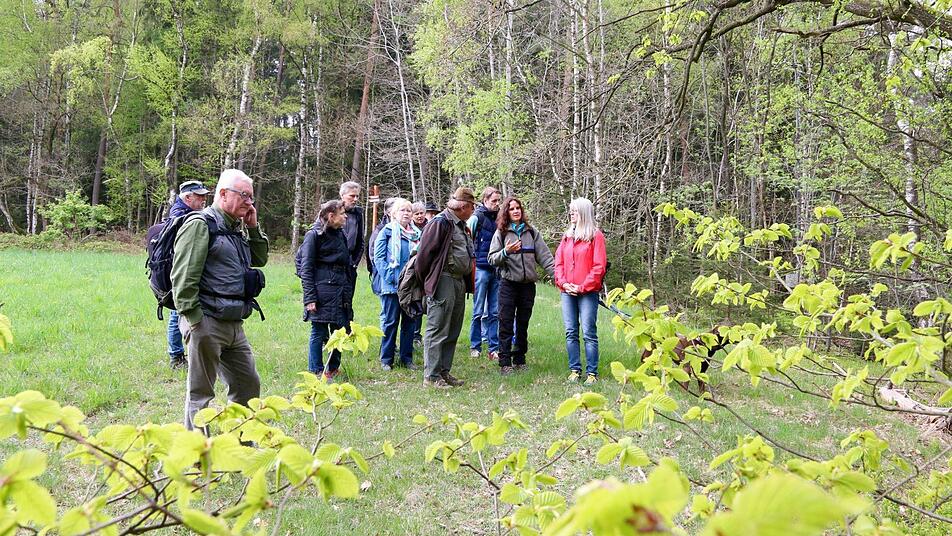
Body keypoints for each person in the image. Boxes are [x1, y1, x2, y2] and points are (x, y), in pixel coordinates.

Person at [171, 169, 269, 431]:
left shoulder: (234, 228)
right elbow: (182, 278)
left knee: (248, 385)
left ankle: (241, 444)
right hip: (206, 322)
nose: (249, 202)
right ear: (223, 194)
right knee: (201, 394)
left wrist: (253, 228)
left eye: (251, 197)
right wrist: (196, 322)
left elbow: (259, 259)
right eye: (244, 195)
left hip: (234, 322)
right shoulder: (200, 224)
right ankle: (197, 452)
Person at [414, 187, 476, 388]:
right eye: (472, 206)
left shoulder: (461, 225)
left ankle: (443, 372)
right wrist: (429, 283)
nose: (473, 210)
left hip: (459, 281)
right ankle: (431, 377)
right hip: (443, 280)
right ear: (463, 207)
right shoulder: (440, 223)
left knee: (452, 329)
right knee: (437, 328)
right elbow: (423, 258)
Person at [146, 180, 210, 369]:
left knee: (177, 312)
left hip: (177, 271)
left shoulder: (183, 213)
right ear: (188, 197)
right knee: (177, 312)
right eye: (199, 196)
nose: (204, 199)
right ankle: (176, 356)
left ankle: (179, 354)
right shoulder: (182, 216)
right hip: (178, 273)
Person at [487, 197, 555, 375]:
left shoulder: (531, 232)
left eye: (518, 208)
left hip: (528, 286)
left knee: (523, 324)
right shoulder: (501, 233)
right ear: (506, 213)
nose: (516, 211)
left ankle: (519, 359)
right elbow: (491, 258)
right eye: (512, 209)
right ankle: (505, 362)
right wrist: (506, 251)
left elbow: (546, 257)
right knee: (506, 323)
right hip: (508, 285)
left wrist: (558, 277)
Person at [554, 198, 606, 384]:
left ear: (583, 213)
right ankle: (575, 370)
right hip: (567, 292)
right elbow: (559, 262)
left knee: (589, 332)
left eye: (575, 211)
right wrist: (563, 283)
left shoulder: (595, 236)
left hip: (587, 293)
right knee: (571, 331)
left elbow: (599, 267)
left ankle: (592, 373)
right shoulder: (567, 236)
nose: (571, 213)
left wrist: (583, 287)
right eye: (571, 210)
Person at [300, 200, 353, 381]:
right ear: (331, 216)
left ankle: (333, 368)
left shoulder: (340, 234)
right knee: (319, 331)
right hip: (322, 291)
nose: (345, 216)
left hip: (341, 288)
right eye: (342, 213)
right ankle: (316, 370)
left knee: (340, 330)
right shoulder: (313, 235)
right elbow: (306, 268)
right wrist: (310, 298)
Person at [373, 199, 421, 370]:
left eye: (409, 210)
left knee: (410, 323)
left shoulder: (417, 234)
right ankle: (386, 359)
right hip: (391, 286)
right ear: (393, 213)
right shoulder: (386, 232)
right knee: (390, 322)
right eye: (402, 210)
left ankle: (406, 359)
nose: (406, 213)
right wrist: (392, 277)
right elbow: (378, 258)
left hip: (411, 287)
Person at [467, 187, 502, 360]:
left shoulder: (500, 218)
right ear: (485, 200)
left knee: (495, 311)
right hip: (481, 268)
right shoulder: (477, 217)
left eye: (498, 200)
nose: (497, 203)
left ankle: (494, 347)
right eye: (494, 200)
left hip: (496, 269)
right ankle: (475, 346)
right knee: (478, 311)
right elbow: (467, 238)